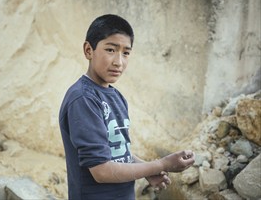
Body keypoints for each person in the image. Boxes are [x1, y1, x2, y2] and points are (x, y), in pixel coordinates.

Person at [59, 14, 195, 200]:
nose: (119, 62)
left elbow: (119, 152)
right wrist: (161, 164)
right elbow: (102, 171)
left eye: (126, 53)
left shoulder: (116, 96)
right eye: (110, 50)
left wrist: (146, 170)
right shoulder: (83, 99)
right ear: (88, 50)